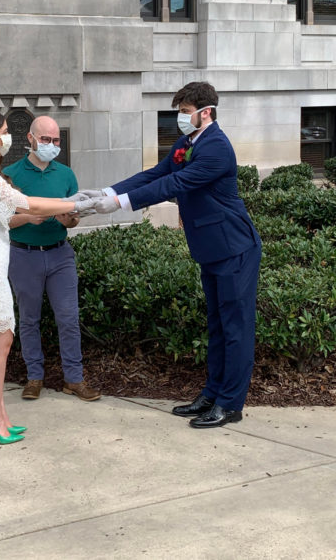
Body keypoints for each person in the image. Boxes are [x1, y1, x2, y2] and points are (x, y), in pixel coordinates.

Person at [76, 82, 262, 428]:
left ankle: (230, 404)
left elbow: (174, 185)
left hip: (235, 248)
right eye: (179, 110)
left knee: (236, 329)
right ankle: (212, 394)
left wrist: (118, 205)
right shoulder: (187, 144)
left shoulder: (217, 147)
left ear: (206, 113)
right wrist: (107, 191)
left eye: (185, 111)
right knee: (218, 327)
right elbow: (157, 174)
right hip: (211, 249)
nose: (180, 117)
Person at [0, 111, 95, 445]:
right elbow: (26, 203)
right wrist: (78, 201)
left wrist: (57, 209)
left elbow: (6, 218)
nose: (6, 138)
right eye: (2, 132)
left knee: (1, 341)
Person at [4, 116, 101, 402]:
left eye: (56, 140)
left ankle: (74, 379)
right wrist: (27, 217)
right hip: (23, 255)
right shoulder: (10, 174)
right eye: (45, 139)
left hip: (60, 255)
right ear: (31, 139)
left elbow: (74, 221)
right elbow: (3, 220)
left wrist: (69, 219)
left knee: (69, 318)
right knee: (29, 320)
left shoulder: (66, 174)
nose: (51, 144)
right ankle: (34, 377)